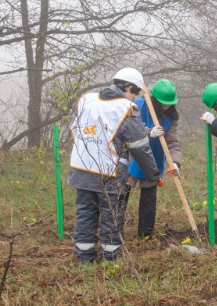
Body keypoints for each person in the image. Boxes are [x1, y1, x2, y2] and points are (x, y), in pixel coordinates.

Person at [67, 68, 157, 263]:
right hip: (109, 174)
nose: (136, 97)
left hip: (81, 169)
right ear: (128, 87)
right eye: (136, 92)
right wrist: (153, 174)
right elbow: (139, 147)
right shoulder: (127, 108)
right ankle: (110, 262)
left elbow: (74, 129)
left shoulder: (86, 100)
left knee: (85, 215)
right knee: (111, 217)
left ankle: (84, 260)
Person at [128, 79, 181, 239]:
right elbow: (128, 129)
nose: (166, 107)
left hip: (153, 160)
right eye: (163, 103)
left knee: (149, 200)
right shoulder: (137, 105)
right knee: (121, 195)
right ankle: (114, 232)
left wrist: (175, 162)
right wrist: (148, 132)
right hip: (132, 158)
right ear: (155, 100)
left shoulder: (171, 117)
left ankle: (145, 235)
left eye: (169, 104)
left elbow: (172, 142)